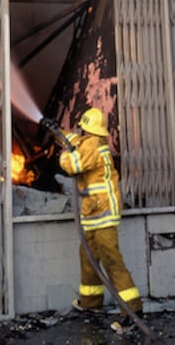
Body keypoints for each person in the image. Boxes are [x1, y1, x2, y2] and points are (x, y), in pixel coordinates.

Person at [57, 106, 142, 314]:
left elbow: (73, 165)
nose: (80, 132)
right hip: (94, 213)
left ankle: (132, 312)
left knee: (111, 260)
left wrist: (63, 157)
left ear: (87, 128)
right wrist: (57, 132)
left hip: (103, 213)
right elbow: (74, 141)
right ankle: (91, 303)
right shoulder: (91, 142)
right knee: (88, 257)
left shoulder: (93, 145)